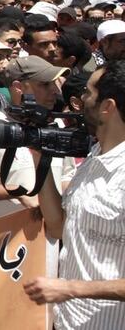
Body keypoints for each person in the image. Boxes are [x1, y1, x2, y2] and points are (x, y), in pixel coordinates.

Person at [24, 60, 125, 329]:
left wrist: (71, 288)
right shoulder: (95, 155)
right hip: (68, 321)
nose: (81, 99)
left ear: (108, 107)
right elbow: (59, 227)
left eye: (89, 93)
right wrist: (39, 159)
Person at [0, 56, 67, 221]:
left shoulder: (59, 126)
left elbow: (66, 176)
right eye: (44, 84)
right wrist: (17, 192)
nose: (55, 91)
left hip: (52, 236)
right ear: (18, 87)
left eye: (55, 83)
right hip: (3, 237)